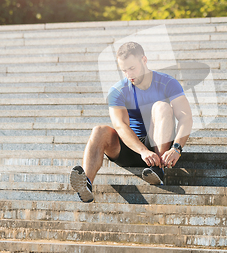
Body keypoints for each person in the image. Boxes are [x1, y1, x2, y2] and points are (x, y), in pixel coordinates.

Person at [70, 42, 193, 202]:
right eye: (124, 70)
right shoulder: (118, 90)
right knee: (99, 130)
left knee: (161, 107)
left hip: (160, 147)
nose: (129, 74)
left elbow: (186, 118)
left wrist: (176, 148)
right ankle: (86, 183)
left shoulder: (167, 83)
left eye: (132, 68)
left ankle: (157, 170)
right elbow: (120, 126)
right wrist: (142, 151)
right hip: (131, 148)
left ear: (144, 60)